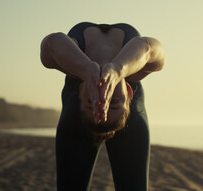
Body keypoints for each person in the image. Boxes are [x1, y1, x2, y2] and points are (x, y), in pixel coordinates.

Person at [40, 22, 165, 191]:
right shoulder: (135, 72)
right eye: (114, 102)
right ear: (129, 92)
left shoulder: (70, 66)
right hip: (132, 121)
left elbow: (51, 42)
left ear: (80, 92)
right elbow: (150, 48)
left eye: (92, 101)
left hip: (75, 119)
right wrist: (118, 69)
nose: (104, 96)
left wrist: (86, 68)